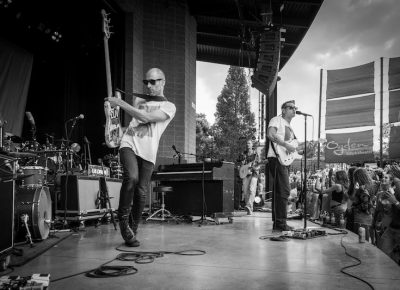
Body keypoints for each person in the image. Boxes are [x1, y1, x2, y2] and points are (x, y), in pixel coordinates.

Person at [105, 68, 176, 247]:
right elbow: (132, 123)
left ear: (163, 82)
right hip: (128, 143)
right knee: (132, 178)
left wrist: (120, 103)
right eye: (147, 82)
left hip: (148, 152)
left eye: (154, 82)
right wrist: (112, 127)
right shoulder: (138, 99)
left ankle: (132, 229)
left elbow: (144, 117)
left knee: (141, 190)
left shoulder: (169, 107)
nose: (150, 86)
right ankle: (123, 221)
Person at [267, 100, 303, 231]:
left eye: (295, 108)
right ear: (283, 110)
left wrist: (298, 151)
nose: (294, 110)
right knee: (284, 190)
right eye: (290, 107)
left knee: (279, 192)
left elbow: (292, 148)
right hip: (276, 159)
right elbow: (270, 134)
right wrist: (286, 145)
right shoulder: (277, 120)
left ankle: (278, 223)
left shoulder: (290, 127)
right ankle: (281, 223)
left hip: (283, 160)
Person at [237, 139, 261, 215]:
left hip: (254, 174)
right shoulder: (243, 154)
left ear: (252, 145)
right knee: (245, 191)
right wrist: (240, 168)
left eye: (249, 143)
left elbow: (259, 165)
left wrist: (255, 168)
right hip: (245, 174)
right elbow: (238, 163)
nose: (248, 145)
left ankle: (249, 205)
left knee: (252, 189)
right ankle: (249, 209)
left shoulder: (256, 154)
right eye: (247, 143)